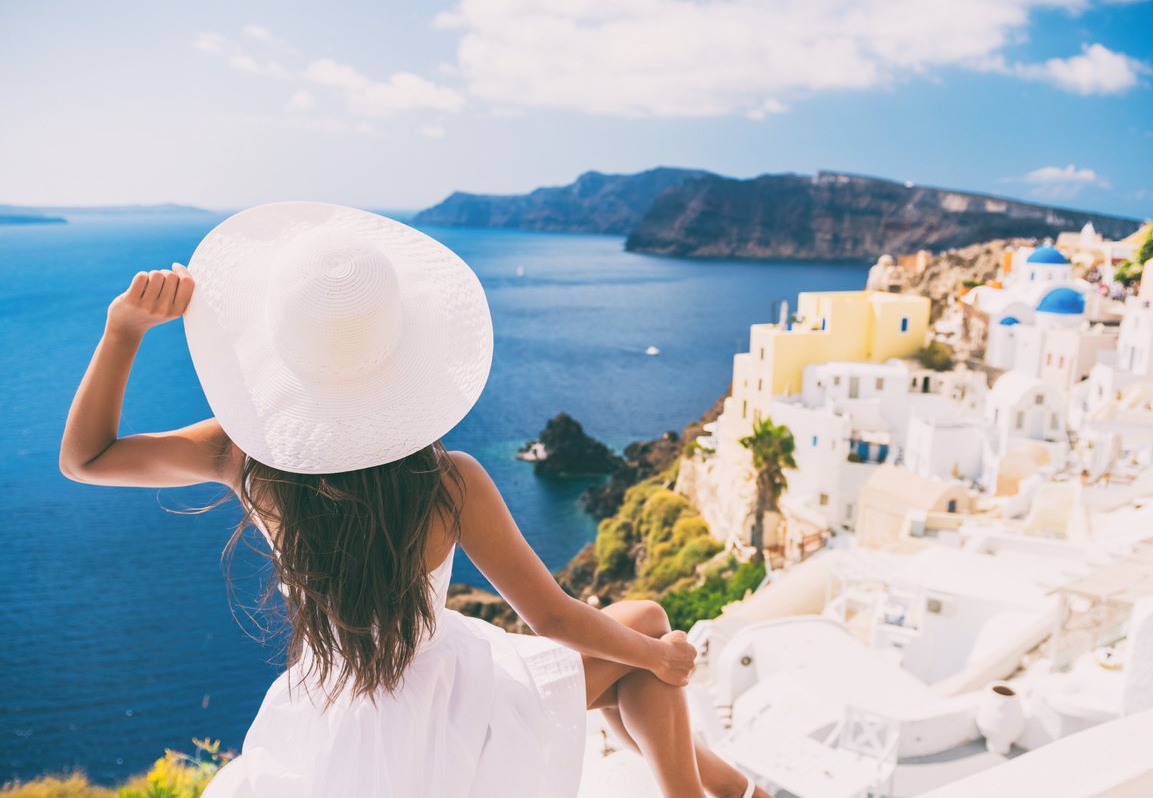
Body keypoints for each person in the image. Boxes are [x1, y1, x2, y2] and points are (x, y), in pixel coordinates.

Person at [59, 202, 768, 798]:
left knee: (639, 649)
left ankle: (732, 788)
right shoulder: (446, 481)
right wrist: (667, 659)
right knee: (644, 629)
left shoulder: (242, 454)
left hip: (329, 711)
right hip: (440, 710)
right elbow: (552, 614)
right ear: (398, 359)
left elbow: (85, 457)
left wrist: (122, 330)